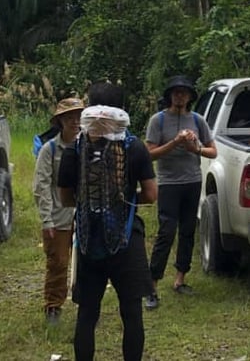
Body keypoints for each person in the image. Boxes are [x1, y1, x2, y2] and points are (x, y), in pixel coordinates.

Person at [58, 82, 157, 361]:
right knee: (131, 312)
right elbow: (150, 194)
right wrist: (122, 197)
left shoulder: (73, 149)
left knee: (87, 314)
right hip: (127, 240)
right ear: (120, 111)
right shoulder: (134, 147)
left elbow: (66, 199)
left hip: (89, 241)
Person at [145, 76, 216, 309]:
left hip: (192, 181)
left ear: (189, 97)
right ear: (169, 96)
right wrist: (175, 142)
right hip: (168, 183)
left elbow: (212, 151)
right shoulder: (158, 120)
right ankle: (152, 286)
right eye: (175, 92)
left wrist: (195, 148)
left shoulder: (197, 119)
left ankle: (180, 279)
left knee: (187, 230)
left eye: (184, 92)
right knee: (166, 232)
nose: (179, 96)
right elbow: (150, 154)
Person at [33, 96, 84, 324]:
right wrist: (47, 220)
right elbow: (41, 186)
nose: (75, 121)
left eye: (78, 117)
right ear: (60, 121)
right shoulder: (49, 149)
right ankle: (53, 305)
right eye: (69, 117)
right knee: (58, 262)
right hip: (58, 213)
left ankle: (87, 304)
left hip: (85, 213)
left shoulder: (89, 145)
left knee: (87, 261)